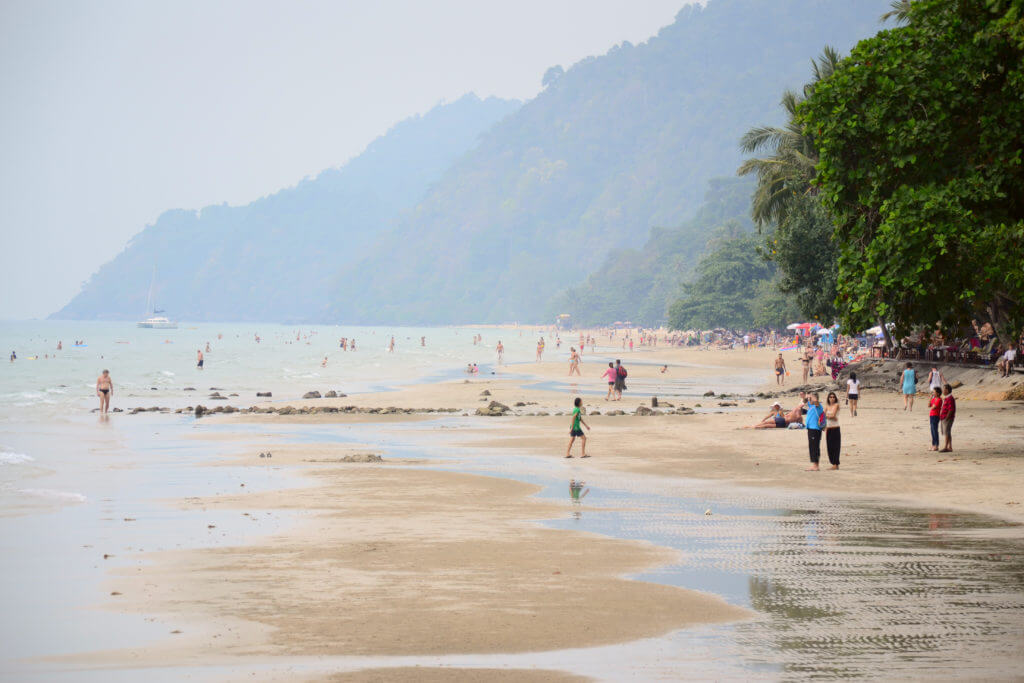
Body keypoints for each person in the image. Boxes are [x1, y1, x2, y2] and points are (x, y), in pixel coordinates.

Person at [804, 392, 825, 471]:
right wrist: (806, 397)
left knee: (814, 447)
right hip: (811, 429)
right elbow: (804, 401)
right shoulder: (811, 405)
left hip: (815, 429)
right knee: (812, 447)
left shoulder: (818, 406)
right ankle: (815, 465)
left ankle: (816, 465)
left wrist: (813, 396)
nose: (810, 399)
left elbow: (816, 401)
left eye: (811, 398)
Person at [824, 392, 841, 469]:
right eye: (830, 397)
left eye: (833, 397)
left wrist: (829, 416)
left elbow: (833, 415)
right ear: (828, 398)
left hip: (835, 428)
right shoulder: (827, 406)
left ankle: (836, 464)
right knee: (829, 447)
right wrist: (829, 416)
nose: (832, 398)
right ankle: (833, 463)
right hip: (829, 428)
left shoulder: (836, 405)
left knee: (836, 446)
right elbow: (823, 416)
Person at [938, 383, 956, 452]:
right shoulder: (947, 398)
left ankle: (946, 447)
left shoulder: (950, 398)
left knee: (946, 432)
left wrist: (947, 418)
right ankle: (950, 447)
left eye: (944, 389)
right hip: (945, 417)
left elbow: (951, 409)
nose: (942, 390)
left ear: (947, 390)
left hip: (947, 418)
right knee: (948, 432)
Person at [927, 387, 943, 451]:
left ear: (938, 393)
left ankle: (936, 445)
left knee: (935, 430)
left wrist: (933, 403)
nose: (933, 393)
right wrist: (930, 398)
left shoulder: (939, 400)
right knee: (932, 430)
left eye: (934, 392)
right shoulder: (934, 399)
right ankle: (933, 444)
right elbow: (929, 405)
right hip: (931, 415)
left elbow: (933, 407)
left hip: (936, 416)